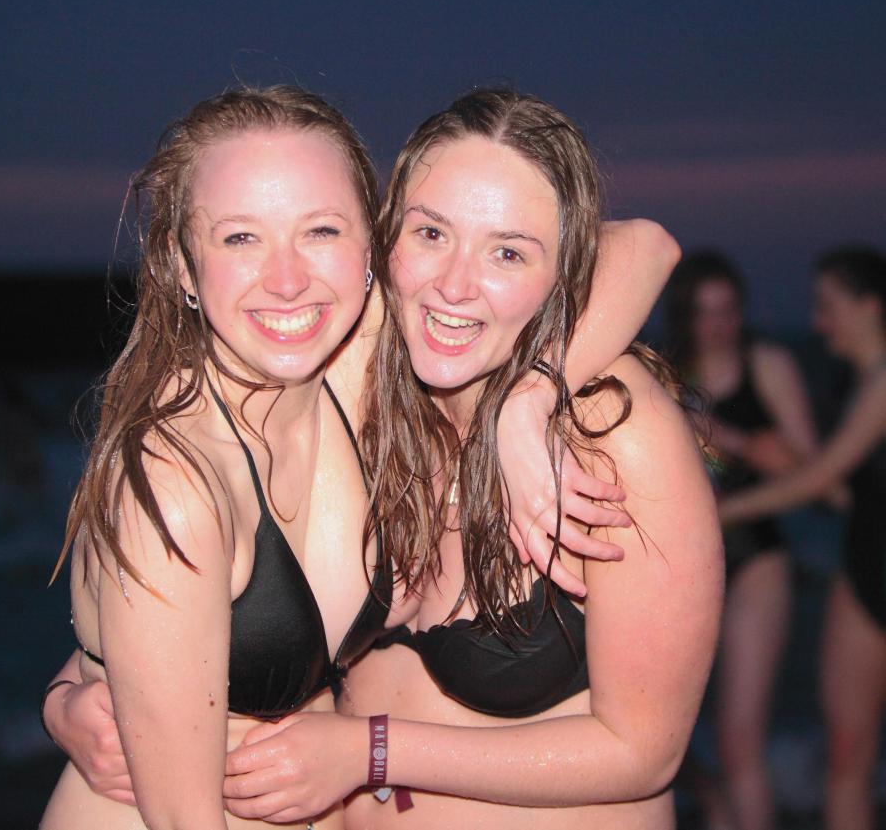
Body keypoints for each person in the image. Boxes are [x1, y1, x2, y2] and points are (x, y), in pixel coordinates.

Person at [39, 85, 679, 830]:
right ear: (182, 264)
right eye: (240, 238)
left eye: (320, 231)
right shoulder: (177, 479)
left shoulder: (356, 359)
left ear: (372, 250)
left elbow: (642, 246)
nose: (286, 279)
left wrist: (526, 398)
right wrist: (70, 695)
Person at [211, 90, 723, 830]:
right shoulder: (361, 401)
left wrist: (371, 752)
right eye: (430, 234)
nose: (454, 285)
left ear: (562, 277)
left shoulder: (608, 429)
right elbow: (207, 562)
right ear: (385, 238)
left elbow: (643, 749)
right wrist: (72, 698)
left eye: (506, 252)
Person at [719, 248, 886, 830]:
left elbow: (820, 478)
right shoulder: (853, 381)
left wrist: (718, 512)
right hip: (864, 572)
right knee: (847, 757)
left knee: (850, 761)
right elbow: (846, 495)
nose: (817, 322)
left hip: (868, 568)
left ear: (871, 306)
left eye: (827, 306)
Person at [665, 252, 818, 830]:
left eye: (728, 310)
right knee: (672, 745)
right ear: (685, 315)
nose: (718, 324)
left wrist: (730, 436)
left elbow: (809, 470)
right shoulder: (666, 373)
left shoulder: (768, 364)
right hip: (682, 567)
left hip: (757, 558)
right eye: (705, 313)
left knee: (738, 741)